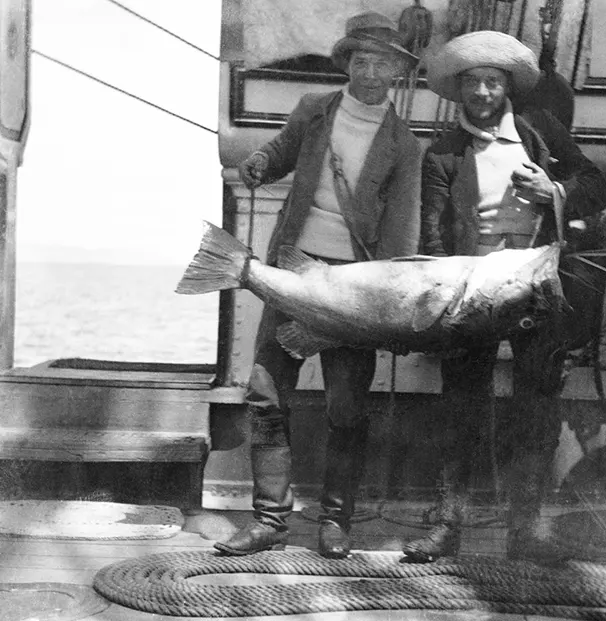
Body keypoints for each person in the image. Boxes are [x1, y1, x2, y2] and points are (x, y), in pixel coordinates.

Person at [214, 12, 421, 559]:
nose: (370, 73)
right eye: (361, 61)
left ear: (398, 72)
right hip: (293, 271)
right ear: (347, 63)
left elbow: (402, 234)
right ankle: (269, 520)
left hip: (353, 289)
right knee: (265, 392)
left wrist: (386, 305)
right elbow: (280, 152)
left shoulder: (404, 144)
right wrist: (260, 161)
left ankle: (335, 521)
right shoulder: (314, 110)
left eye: (382, 64)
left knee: (346, 409)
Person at [402, 30, 606, 562]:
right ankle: (448, 526)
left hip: (537, 287)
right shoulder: (443, 153)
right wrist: (446, 297)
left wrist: (554, 191)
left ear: (508, 87)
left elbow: (595, 182)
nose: (483, 93)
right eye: (473, 83)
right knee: (462, 406)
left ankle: (525, 530)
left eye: (493, 82)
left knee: (536, 407)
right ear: (459, 89)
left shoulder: (542, 132)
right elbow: (433, 237)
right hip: (472, 290)